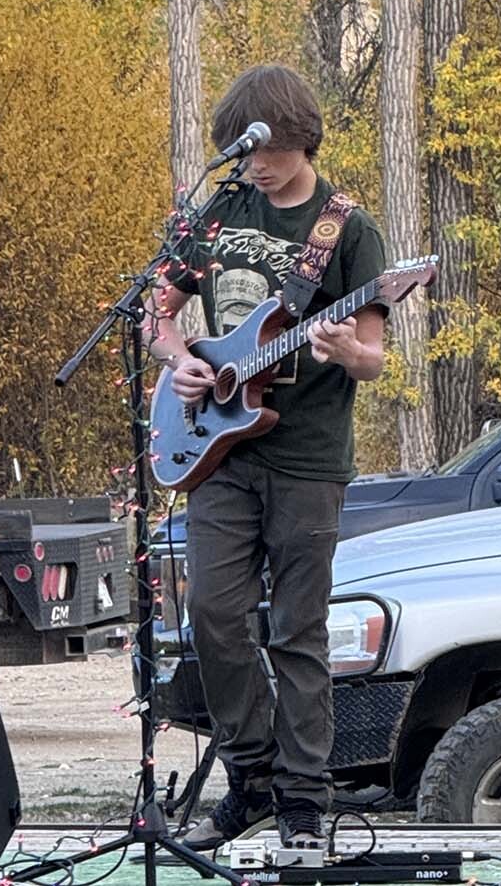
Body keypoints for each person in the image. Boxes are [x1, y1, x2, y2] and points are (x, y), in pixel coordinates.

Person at [142, 64, 387, 850]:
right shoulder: (217, 212)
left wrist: (346, 347)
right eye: (243, 151)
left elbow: (374, 357)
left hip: (308, 456)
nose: (256, 164)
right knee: (212, 615)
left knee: (298, 629)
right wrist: (176, 356)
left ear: (301, 137)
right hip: (219, 447)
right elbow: (159, 307)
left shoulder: (346, 228)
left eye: (268, 150)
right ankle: (249, 774)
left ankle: (304, 798)